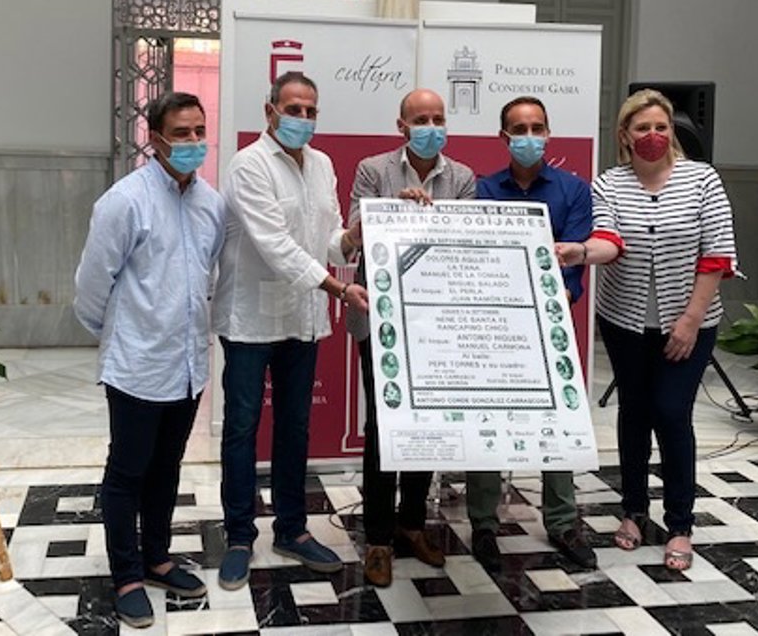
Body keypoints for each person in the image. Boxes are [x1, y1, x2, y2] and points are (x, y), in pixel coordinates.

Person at [556, 88, 736, 572]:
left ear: (671, 131)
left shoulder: (702, 180)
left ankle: (680, 523)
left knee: (673, 413)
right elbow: (608, 240)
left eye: (661, 127)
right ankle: (634, 510)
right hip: (625, 321)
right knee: (634, 413)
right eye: (642, 128)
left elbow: (717, 254)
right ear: (625, 135)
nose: (653, 135)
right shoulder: (609, 184)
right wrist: (579, 252)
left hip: (691, 320)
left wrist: (690, 321)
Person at [73, 92, 226, 629]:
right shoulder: (124, 202)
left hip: (187, 365)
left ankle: (158, 558)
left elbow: (207, 272)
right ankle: (127, 575)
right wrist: (120, 336)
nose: (193, 142)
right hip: (137, 364)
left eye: (199, 131)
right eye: (181, 133)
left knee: (167, 466)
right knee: (127, 471)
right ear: (155, 139)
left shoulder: (211, 203)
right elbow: (92, 285)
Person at [212, 71, 369, 590]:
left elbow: (327, 238)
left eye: (310, 110)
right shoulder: (248, 165)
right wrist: (339, 288)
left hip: (303, 316)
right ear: (270, 111)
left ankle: (291, 529)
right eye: (293, 109)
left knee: (295, 426)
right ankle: (239, 536)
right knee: (241, 427)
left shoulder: (322, 164)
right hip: (251, 319)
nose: (303, 118)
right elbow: (275, 245)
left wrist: (354, 236)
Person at [346, 88, 475, 587]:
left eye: (438, 118)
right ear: (401, 126)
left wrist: (430, 217)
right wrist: (391, 211)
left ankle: (412, 524)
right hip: (380, 318)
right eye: (421, 119)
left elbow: (464, 244)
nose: (431, 127)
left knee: (428, 425)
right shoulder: (373, 170)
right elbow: (353, 236)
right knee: (383, 427)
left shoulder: (462, 177)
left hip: (436, 322)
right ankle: (378, 538)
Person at [467, 96, 597, 572]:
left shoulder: (573, 190)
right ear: (503, 137)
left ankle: (562, 522)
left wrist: (559, 291)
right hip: (495, 325)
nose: (528, 136)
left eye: (536, 127)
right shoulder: (484, 190)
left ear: (548, 133)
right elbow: (480, 255)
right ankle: (483, 523)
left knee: (556, 423)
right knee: (487, 420)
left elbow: (574, 258)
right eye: (519, 129)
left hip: (550, 324)